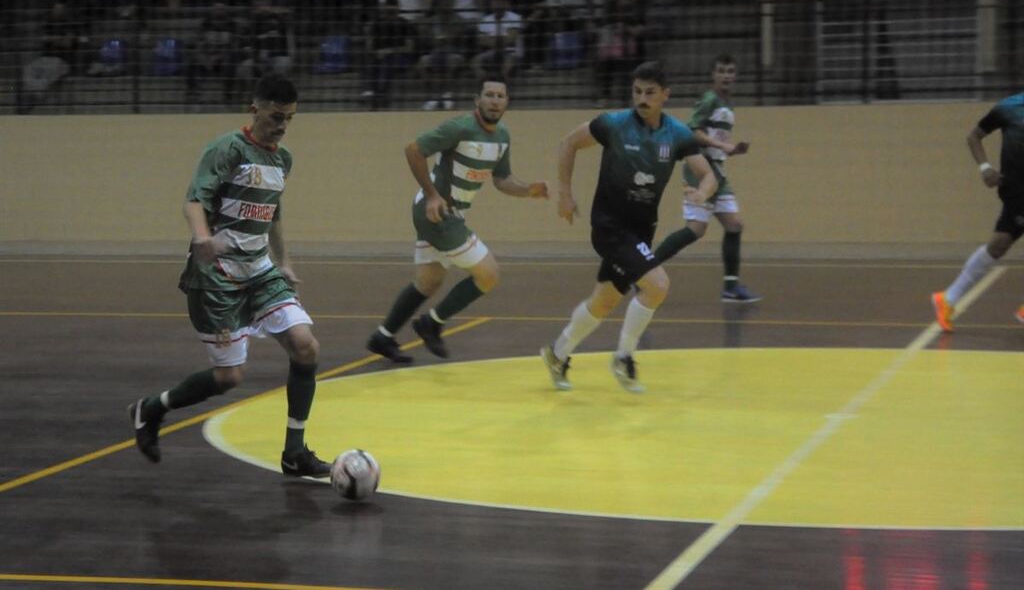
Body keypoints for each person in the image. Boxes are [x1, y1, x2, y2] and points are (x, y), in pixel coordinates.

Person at [128, 74, 331, 478]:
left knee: (306, 347)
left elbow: (272, 213)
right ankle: (151, 409)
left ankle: (294, 452)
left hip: (260, 271)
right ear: (253, 109)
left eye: (290, 119)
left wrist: (284, 260)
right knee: (229, 377)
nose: (282, 126)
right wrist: (202, 237)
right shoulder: (227, 149)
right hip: (217, 277)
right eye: (276, 116)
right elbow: (193, 200)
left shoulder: (282, 159)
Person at [540, 61, 717, 393]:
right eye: (637, 91)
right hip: (609, 226)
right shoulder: (615, 124)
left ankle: (556, 353)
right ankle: (623, 357)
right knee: (657, 285)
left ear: (665, 95)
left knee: (604, 301)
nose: (642, 98)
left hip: (641, 229)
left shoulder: (677, 134)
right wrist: (565, 193)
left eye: (650, 92)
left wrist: (701, 193)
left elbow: (707, 175)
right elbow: (568, 143)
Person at [367, 75, 549, 364]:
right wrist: (432, 195)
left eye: (500, 96)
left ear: (507, 101)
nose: (494, 100)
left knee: (428, 281)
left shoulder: (502, 137)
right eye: (489, 95)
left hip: (448, 214)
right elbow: (413, 149)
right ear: (477, 100)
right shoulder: (460, 127)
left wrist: (528, 190)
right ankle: (432, 323)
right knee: (489, 273)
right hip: (438, 213)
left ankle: (383, 337)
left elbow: (501, 181)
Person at [652, 53, 756, 302]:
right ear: (713, 75)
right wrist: (723, 147)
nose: (727, 76)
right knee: (695, 230)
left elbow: (714, 140)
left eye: (730, 71)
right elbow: (692, 132)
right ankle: (643, 270)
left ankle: (731, 287)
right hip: (702, 171)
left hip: (718, 172)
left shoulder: (726, 105)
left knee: (734, 226)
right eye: (721, 71)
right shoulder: (709, 100)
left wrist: (731, 148)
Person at [932, 92, 1024, 331]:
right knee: (999, 245)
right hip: (1017, 193)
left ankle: (948, 299)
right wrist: (985, 168)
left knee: (998, 245)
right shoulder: (1008, 108)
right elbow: (974, 136)